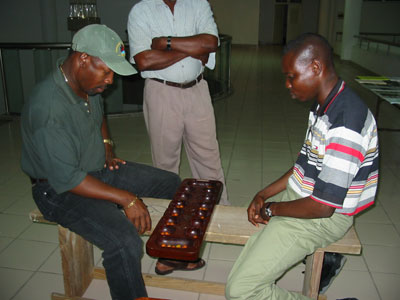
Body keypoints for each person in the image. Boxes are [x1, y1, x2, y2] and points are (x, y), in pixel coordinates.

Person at [20, 24, 181, 300]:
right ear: (83, 59)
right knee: (123, 242)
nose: (110, 81)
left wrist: (106, 145)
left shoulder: (86, 84)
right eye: (107, 71)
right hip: (57, 189)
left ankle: (170, 255)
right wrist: (126, 199)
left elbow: (98, 116)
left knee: (171, 183)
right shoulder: (48, 109)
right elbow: (69, 179)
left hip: (95, 169)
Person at [225, 33, 379, 299]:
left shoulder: (346, 122)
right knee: (245, 268)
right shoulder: (325, 105)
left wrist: (272, 210)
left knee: (240, 291)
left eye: (291, 76)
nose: (287, 84)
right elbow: (303, 165)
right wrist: (263, 195)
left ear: (315, 68)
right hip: (302, 199)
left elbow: (322, 207)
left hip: (322, 218)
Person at [127, 0, 230, 275]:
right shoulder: (141, 11)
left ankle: (216, 227)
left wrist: (167, 43)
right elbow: (144, 60)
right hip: (160, 92)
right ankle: (167, 243)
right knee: (164, 168)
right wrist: (192, 50)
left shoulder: (197, 4)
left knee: (209, 161)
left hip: (198, 91)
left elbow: (210, 43)